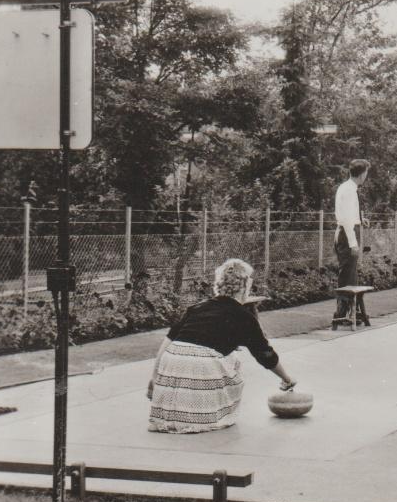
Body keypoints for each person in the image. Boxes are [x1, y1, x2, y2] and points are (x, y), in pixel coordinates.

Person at [147, 258, 296, 434]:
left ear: (218, 284)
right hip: (203, 366)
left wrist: (153, 378)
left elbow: (167, 343)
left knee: (202, 361)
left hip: (172, 362)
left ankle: (176, 414)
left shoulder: (196, 308)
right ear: (245, 286)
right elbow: (265, 354)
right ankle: (203, 414)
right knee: (233, 360)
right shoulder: (245, 317)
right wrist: (287, 379)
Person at [333, 159, 370, 320]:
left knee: (350, 275)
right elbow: (346, 219)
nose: (366, 176)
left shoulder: (348, 188)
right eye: (366, 173)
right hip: (347, 234)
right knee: (347, 276)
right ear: (362, 174)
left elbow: (349, 214)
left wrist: (361, 220)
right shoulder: (348, 190)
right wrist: (353, 243)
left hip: (347, 231)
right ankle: (341, 313)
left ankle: (350, 312)